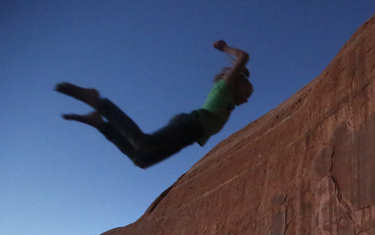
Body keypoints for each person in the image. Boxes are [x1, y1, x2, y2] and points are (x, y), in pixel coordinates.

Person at [55, 40, 252, 169]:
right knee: (143, 143)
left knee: (142, 160)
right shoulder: (223, 89)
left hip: (191, 135)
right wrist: (225, 48)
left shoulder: (229, 100)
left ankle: (101, 124)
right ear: (236, 84)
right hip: (190, 125)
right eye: (247, 92)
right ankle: (99, 102)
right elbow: (243, 57)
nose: (247, 98)